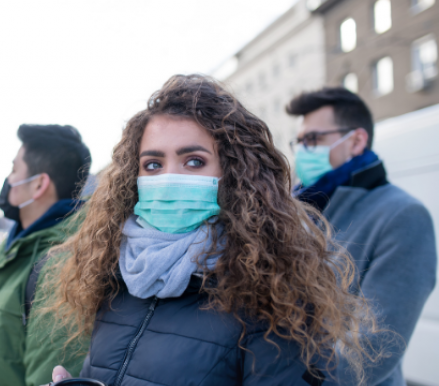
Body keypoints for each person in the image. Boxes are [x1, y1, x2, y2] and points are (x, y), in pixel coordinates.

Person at [43, 74, 382, 385]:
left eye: (194, 161)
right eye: (152, 164)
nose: (169, 177)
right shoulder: (117, 277)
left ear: (233, 175)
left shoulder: (276, 297)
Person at [287, 88, 437, 386]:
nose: (304, 150)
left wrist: (282, 379)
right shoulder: (302, 208)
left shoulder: (402, 215)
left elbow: (374, 350)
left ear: (356, 140)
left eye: (314, 139)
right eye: (300, 141)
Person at [0, 124, 91, 386]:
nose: (8, 180)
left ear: (39, 185)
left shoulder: (62, 267)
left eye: (13, 170)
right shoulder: (17, 247)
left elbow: (46, 375)